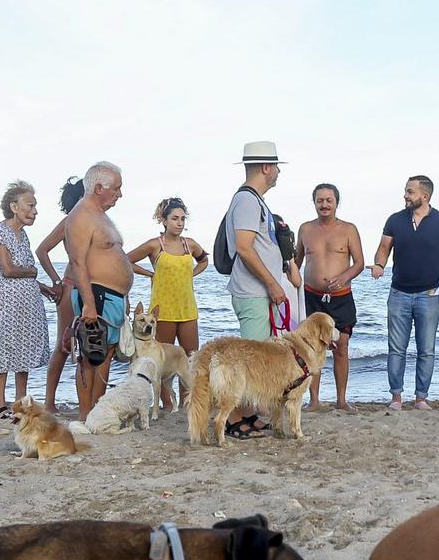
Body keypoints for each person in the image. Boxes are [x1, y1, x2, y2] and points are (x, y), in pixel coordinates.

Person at [369, 176, 439, 411]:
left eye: (410, 192)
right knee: (396, 349)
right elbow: (383, 249)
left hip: (429, 295)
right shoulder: (395, 220)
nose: (406, 196)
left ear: (425, 196)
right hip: (399, 293)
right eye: (406, 191)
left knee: (426, 350)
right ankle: (396, 397)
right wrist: (379, 265)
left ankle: (421, 397)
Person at [219, 141, 291, 437]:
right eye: (275, 167)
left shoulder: (254, 200)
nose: (277, 172)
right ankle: (234, 416)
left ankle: (247, 412)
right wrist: (273, 284)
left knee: (257, 356)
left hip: (257, 293)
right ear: (265, 167)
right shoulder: (248, 201)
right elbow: (245, 250)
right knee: (250, 361)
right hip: (253, 293)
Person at [63, 162, 131, 421]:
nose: (120, 194)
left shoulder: (100, 215)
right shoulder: (81, 216)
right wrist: (89, 304)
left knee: (106, 354)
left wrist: (124, 296)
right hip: (96, 295)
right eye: (116, 188)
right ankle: (86, 414)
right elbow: (78, 261)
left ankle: (96, 411)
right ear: (99, 187)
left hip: (111, 296)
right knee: (91, 355)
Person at [296, 183, 365, 411]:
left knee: (341, 348)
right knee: (314, 348)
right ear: (314, 203)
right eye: (320, 200)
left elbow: (359, 263)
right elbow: (296, 262)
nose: (324, 204)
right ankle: (314, 400)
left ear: (336, 202)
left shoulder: (349, 229)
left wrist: (344, 277)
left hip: (341, 297)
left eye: (329, 200)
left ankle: (341, 400)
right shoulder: (305, 229)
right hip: (312, 297)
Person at [127, 197, 210, 382]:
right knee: (162, 360)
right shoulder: (155, 245)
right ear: (164, 220)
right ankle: (167, 405)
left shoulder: (190, 244)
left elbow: (204, 260)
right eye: (174, 218)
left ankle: (186, 404)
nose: (179, 223)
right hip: (162, 310)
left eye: (182, 219)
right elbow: (126, 260)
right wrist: (150, 274)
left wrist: (192, 274)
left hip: (187, 308)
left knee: (191, 359)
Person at [0, 181, 53, 416]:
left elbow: (22, 272)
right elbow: (8, 269)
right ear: (14, 206)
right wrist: (34, 272)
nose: (34, 211)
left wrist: (42, 287)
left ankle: (20, 402)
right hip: (8, 301)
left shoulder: (22, 235)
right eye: (31, 205)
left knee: (24, 351)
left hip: (29, 301)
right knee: (7, 347)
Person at [36, 177, 86, 410]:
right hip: (70, 285)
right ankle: (49, 402)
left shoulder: (97, 222)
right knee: (64, 346)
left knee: (90, 345)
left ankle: (86, 401)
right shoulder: (69, 222)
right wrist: (56, 281)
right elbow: (42, 250)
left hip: (92, 288)